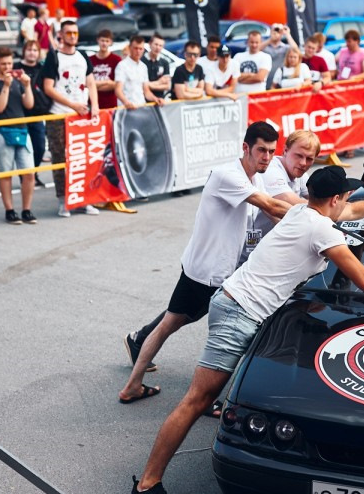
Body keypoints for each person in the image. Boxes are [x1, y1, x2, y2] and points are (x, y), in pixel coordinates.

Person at [127, 165, 364, 494]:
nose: (346, 204)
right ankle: (147, 486)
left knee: (232, 392)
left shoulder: (302, 210)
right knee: (195, 399)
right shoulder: (322, 230)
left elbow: (353, 211)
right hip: (240, 313)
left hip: (234, 301)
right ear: (336, 198)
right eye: (343, 198)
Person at [119, 123, 293, 408]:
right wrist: (315, 219)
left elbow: (272, 216)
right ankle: (173, 393)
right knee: (183, 328)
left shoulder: (256, 178)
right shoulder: (228, 175)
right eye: (261, 150)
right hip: (206, 272)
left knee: (174, 324)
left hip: (224, 272)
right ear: (245, 147)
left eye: (272, 152)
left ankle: (136, 380)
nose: (267, 157)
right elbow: (272, 207)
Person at [41, 20, 100, 217]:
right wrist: (72, 105)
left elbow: (91, 82)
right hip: (59, 115)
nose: (73, 36)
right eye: (69, 33)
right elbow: (48, 87)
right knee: (60, 158)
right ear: (61, 35)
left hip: (82, 117)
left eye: (75, 33)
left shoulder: (83, 56)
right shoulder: (54, 56)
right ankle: (62, 200)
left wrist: (95, 105)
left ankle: (84, 199)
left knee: (82, 158)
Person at [0, 47, 38, 223]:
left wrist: (27, 86)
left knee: (29, 172)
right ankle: (9, 209)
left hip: (22, 128)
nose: (7, 67)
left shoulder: (17, 81)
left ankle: (27, 209)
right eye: (3, 64)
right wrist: (6, 86)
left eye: (9, 63)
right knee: (6, 172)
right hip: (2, 131)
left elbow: (29, 104)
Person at [17, 40, 52, 187]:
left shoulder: (42, 69)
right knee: (23, 148)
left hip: (37, 113)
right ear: (24, 51)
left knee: (39, 146)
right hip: (20, 113)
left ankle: (34, 173)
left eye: (35, 50)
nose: (32, 53)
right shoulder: (17, 68)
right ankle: (25, 176)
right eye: (29, 50)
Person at [116, 35, 162, 108]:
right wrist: (126, 102)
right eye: (136, 48)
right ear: (130, 48)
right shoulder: (122, 66)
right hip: (126, 108)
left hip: (141, 106)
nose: (138, 51)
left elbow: (146, 91)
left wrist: (156, 99)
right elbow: (118, 90)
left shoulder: (143, 67)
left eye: (141, 49)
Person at [89, 29, 121, 111]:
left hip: (111, 104)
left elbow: (117, 84)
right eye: (102, 40)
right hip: (93, 105)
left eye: (107, 41)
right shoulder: (90, 60)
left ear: (111, 42)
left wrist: (94, 85)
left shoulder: (116, 60)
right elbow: (87, 84)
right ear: (98, 40)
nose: (104, 43)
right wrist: (106, 82)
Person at [143, 34, 173, 102]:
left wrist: (150, 85)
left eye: (160, 45)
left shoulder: (165, 62)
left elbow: (167, 86)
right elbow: (141, 85)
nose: (158, 47)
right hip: (144, 101)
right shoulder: (142, 62)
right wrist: (159, 82)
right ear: (150, 44)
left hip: (160, 100)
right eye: (156, 44)